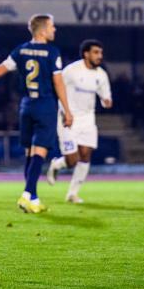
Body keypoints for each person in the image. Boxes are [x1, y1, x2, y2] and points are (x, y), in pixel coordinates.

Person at [0, 14, 72, 214]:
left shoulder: (20, 50)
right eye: (52, 27)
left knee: (30, 152)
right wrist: (67, 109)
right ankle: (27, 194)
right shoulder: (52, 52)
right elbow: (58, 82)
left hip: (26, 105)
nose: (55, 30)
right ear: (43, 30)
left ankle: (34, 198)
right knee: (40, 152)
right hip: (45, 105)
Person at [47, 39, 112, 203]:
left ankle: (72, 193)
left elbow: (106, 97)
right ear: (86, 54)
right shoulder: (72, 70)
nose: (100, 56)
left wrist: (106, 101)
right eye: (96, 52)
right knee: (72, 160)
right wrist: (63, 110)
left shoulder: (101, 74)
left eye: (101, 53)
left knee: (85, 155)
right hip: (68, 118)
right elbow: (57, 86)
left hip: (88, 119)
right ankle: (57, 165)